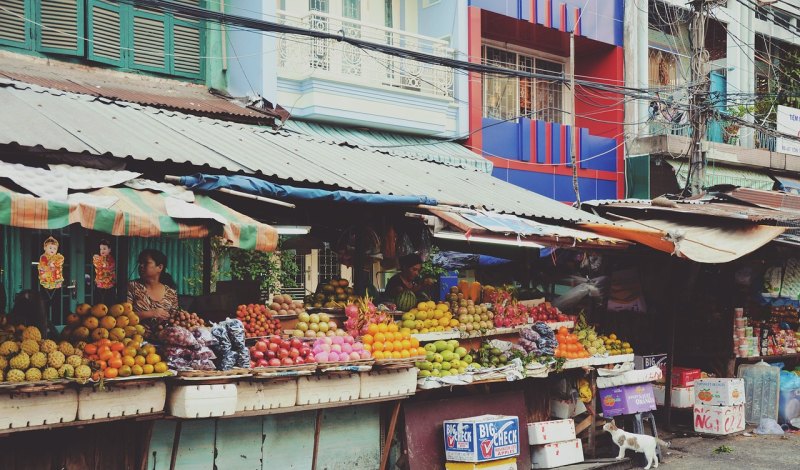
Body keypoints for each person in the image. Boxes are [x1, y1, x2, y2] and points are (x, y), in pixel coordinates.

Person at [127, 249, 178, 331]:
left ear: (160, 267)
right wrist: (150, 313)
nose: (141, 265)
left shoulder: (171, 292)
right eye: (140, 262)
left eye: (146, 263)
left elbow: (175, 320)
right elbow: (124, 317)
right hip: (136, 339)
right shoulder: (132, 286)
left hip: (163, 339)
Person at [93, 239, 116, 304]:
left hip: (109, 285)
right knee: (99, 302)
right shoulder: (99, 258)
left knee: (108, 301)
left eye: (104, 249)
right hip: (100, 285)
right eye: (101, 249)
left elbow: (107, 268)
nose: (102, 251)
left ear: (109, 250)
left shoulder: (111, 260)